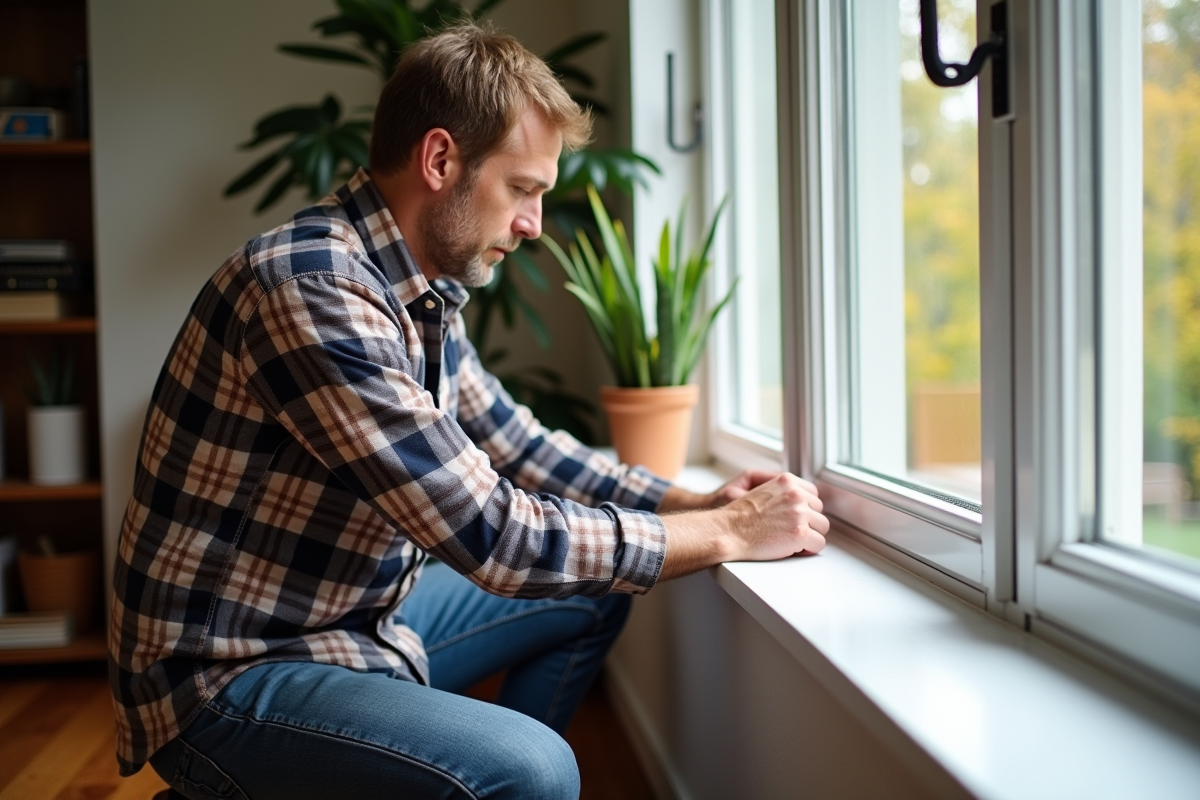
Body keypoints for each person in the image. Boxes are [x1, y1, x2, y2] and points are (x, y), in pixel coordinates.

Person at [110, 22, 828, 800]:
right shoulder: (313, 290)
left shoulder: (416, 290)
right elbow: (499, 539)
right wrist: (730, 532)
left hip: (355, 626)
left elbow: (519, 446)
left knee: (592, 593)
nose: (534, 225)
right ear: (440, 160)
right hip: (227, 677)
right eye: (522, 189)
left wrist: (694, 502)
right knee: (533, 769)